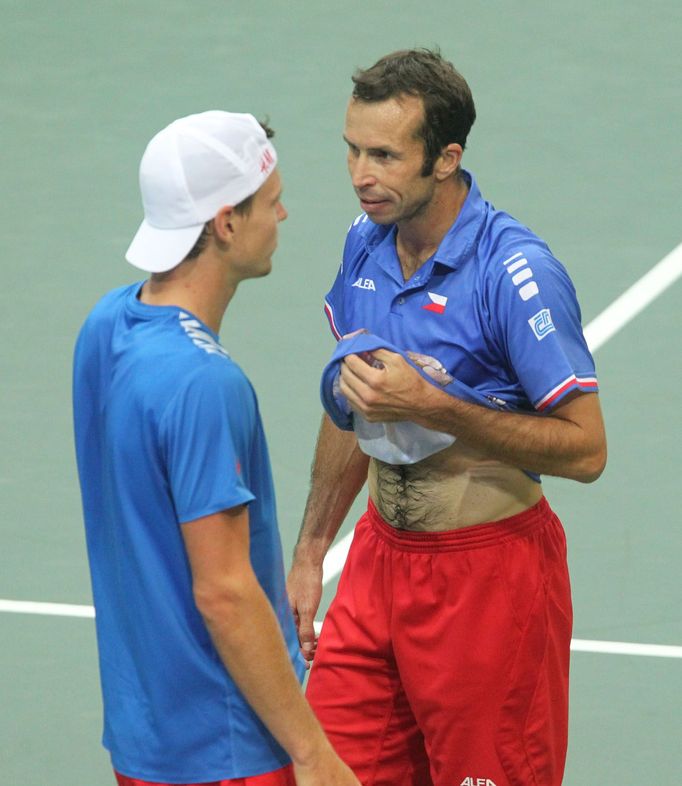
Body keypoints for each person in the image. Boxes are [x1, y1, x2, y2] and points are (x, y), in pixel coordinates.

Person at [287, 50, 607, 786]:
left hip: (487, 581)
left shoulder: (515, 272)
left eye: (385, 155)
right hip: (375, 567)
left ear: (445, 158)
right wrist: (312, 552)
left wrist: (434, 406)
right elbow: (352, 407)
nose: (360, 174)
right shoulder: (363, 241)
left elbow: (587, 450)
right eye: (352, 150)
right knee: (323, 772)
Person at [73, 111, 360, 786]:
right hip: (225, 751)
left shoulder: (105, 324)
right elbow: (226, 593)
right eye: (271, 200)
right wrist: (313, 752)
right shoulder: (204, 383)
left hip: (145, 737)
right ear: (225, 223)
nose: (283, 214)